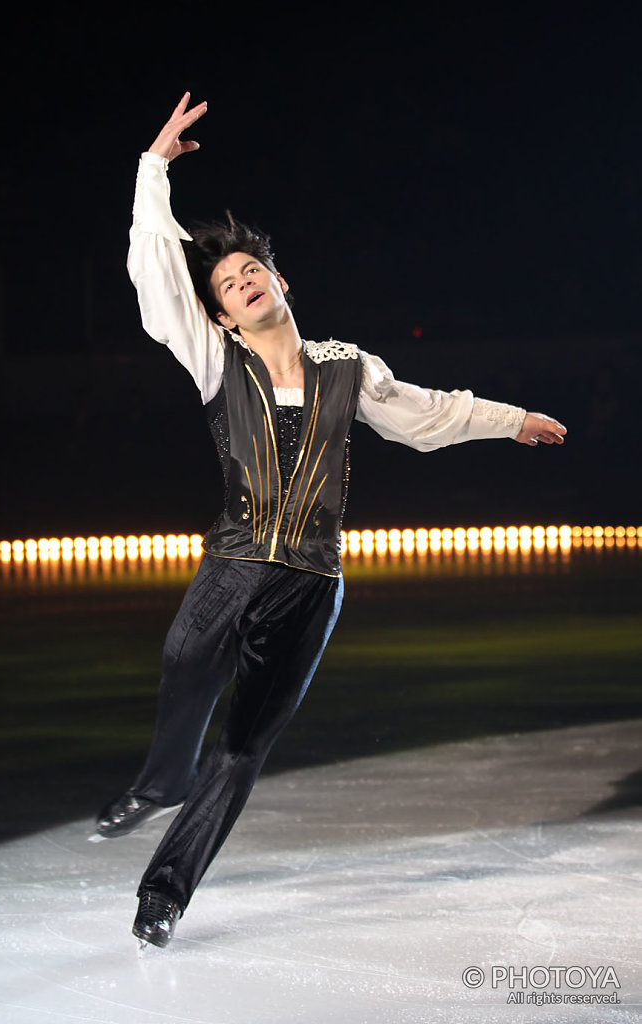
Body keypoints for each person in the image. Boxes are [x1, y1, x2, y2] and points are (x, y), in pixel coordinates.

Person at [94, 91, 567, 949]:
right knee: (183, 662)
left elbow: (429, 413)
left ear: (281, 283)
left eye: (251, 272)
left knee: (243, 749)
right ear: (223, 314)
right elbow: (154, 273)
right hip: (234, 562)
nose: (241, 283)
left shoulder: (349, 367)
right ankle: (161, 776)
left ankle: (164, 892)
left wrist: (510, 417)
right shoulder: (213, 359)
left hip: (313, 583)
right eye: (228, 285)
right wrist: (151, 168)